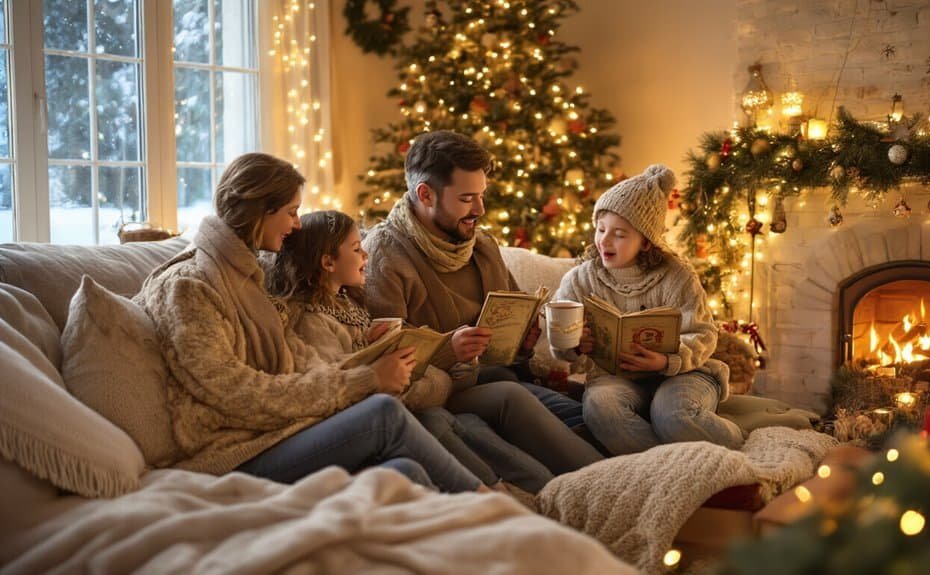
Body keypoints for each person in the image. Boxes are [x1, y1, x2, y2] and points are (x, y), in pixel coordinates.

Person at [135, 152, 485, 492]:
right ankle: (494, 505)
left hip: (276, 433)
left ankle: (474, 535)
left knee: (404, 472)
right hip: (229, 454)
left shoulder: (249, 276)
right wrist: (364, 381)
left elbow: (296, 356)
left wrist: (368, 347)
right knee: (383, 413)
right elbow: (233, 392)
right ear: (260, 211)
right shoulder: (189, 286)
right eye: (291, 212)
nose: (298, 224)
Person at [269, 209, 599, 490]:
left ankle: (585, 478)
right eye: (357, 249)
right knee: (474, 409)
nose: (365, 255)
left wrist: (509, 345)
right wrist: (446, 356)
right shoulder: (371, 273)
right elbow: (353, 388)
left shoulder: (351, 303)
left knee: (570, 404)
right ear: (327, 262)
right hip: (424, 395)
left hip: (449, 382)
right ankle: (517, 492)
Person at [362, 130, 585, 430]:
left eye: (482, 195)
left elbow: (513, 330)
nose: (480, 210)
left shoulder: (482, 245)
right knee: (517, 399)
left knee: (587, 415)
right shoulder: (383, 256)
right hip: (446, 396)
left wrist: (522, 343)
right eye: (467, 198)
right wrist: (448, 351)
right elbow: (385, 360)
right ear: (425, 194)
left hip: (501, 379)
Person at [550, 164, 745, 455]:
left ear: (645, 242)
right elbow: (560, 346)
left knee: (673, 417)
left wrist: (666, 362)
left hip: (684, 374)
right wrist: (576, 345)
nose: (604, 240)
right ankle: (668, 469)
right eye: (601, 229)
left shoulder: (677, 275)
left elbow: (704, 334)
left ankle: (738, 439)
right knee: (600, 408)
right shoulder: (579, 279)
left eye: (619, 234)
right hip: (614, 380)